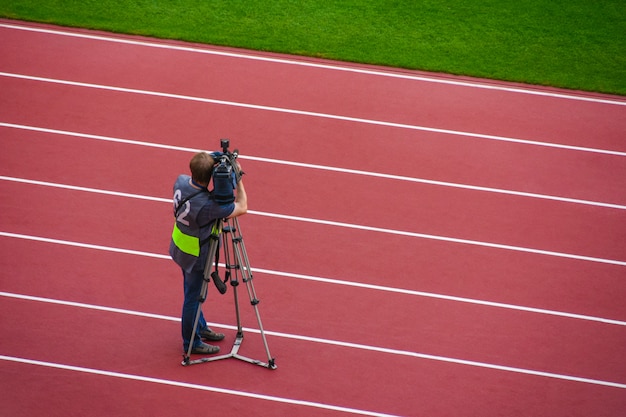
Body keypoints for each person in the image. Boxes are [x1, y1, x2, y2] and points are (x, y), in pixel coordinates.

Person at [169, 151, 247, 355]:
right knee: (193, 297)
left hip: (180, 246)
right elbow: (242, 207)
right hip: (196, 254)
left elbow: (200, 172)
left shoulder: (182, 181)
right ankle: (191, 343)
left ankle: (200, 327)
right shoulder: (209, 206)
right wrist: (237, 180)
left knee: (191, 291)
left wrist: (213, 158)